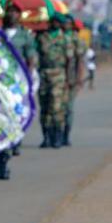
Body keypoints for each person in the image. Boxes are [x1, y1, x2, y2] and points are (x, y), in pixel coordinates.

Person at [0, 0, 38, 179]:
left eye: (15, 12)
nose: (12, 14)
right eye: (9, 11)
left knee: (14, 117)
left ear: (20, 15)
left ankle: (7, 156)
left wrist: (26, 81)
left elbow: (31, 60)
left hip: (16, 85)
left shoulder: (25, 36)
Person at [37, 13, 72, 149]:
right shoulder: (41, 37)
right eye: (54, 21)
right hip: (43, 74)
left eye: (59, 22)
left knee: (56, 108)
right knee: (44, 107)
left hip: (59, 74)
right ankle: (46, 137)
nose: (56, 24)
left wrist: (69, 78)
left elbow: (69, 60)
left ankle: (57, 136)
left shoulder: (65, 38)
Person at [63, 17, 87, 147]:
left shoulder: (76, 40)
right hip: (57, 77)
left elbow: (80, 61)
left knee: (68, 108)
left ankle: (65, 135)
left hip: (71, 78)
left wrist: (78, 78)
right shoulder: (58, 37)